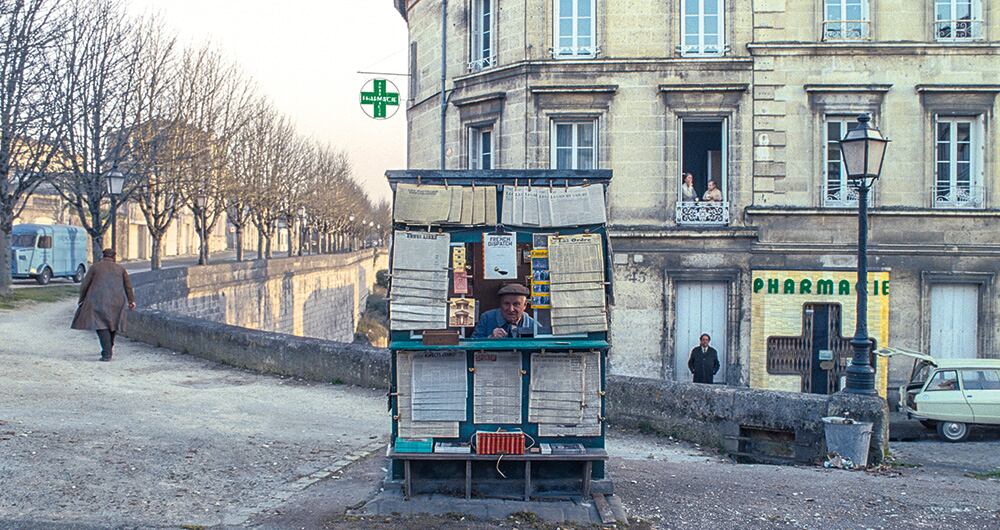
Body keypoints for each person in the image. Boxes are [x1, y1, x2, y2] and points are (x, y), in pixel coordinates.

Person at [71, 248, 135, 361]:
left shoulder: (95, 267)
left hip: (98, 300)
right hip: (117, 301)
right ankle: (108, 348)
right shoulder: (121, 269)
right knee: (112, 324)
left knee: (101, 325)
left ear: (103, 255)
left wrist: (82, 299)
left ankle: (107, 353)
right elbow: (128, 287)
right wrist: (131, 301)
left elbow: (85, 285)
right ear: (114, 257)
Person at [472, 283, 539, 338]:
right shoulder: (487, 318)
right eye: (506, 304)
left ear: (525, 306)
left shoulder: (534, 326)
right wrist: (490, 338)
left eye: (516, 304)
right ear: (500, 304)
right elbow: (472, 345)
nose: (511, 309)